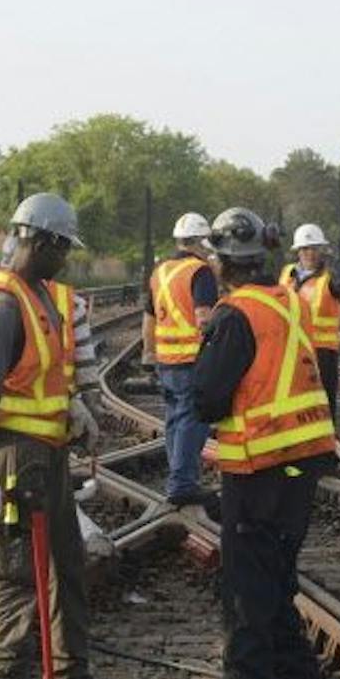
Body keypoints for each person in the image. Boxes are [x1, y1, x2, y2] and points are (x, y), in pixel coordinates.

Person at [0, 193, 122, 679]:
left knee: (66, 564)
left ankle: (68, 673)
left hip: (46, 453)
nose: (66, 257)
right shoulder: (3, 302)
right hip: (12, 456)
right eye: (62, 247)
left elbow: (41, 374)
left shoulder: (40, 295)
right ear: (39, 240)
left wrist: (72, 408)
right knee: (16, 567)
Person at [181, 207, 340, 679]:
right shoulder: (287, 300)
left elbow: (205, 398)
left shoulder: (235, 315)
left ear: (225, 262)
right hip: (303, 458)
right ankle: (298, 672)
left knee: (246, 582)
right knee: (274, 572)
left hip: (261, 462)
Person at [142, 212, 221, 507]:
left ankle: (179, 479)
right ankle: (182, 483)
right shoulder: (200, 272)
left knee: (175, 419)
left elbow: (148, 318)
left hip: (166, 360)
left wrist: (148, 354)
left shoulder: (159, 271)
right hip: (192, 359)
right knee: (192, 419)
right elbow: (204, 317)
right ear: (201, 241)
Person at [279, 223, 340, 420]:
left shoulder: (330, 278)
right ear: (298, 251)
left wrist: (335, 264)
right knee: (293, 398)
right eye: (305, 249)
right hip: (290, 348)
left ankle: (327, 439)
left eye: (315, 248)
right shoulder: (286, 273)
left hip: (322, 350)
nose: (310, 253)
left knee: (324, 398)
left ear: (322, 250)